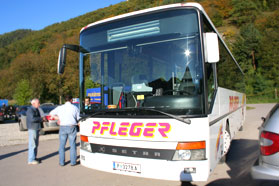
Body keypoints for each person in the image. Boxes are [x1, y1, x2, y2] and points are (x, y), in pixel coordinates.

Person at [49, 95, 80, 166]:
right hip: (72, 126)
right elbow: (78, 118)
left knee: (62, 145)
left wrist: (58, 118)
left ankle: (62, 162)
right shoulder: (74, 108)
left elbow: (51, 113)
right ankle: (73, 162)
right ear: (71, 100)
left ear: (65, 100)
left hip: (62, 127)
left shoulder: (60, 108)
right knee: (72, 145)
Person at [26, 98, 45, 165]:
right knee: (32, 144)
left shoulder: (36, 109)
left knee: (36, 144)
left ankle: (34, 157)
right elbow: (32, 119)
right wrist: (41, 119)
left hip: (36, 128)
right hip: (32, 129)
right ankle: (31, 160)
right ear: (33, 103)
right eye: (38, 103)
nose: (39, 104)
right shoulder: (30, 110)